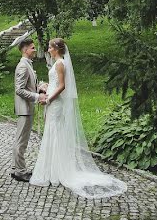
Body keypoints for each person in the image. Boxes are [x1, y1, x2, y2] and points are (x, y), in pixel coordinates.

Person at [29, 37, 127, 198]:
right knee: (53, 132)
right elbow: (55, 84)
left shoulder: (60, 63)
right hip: (52, 100)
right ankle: (54, 170)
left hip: (56, 102)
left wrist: (48, 98)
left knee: (55, 132)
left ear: (57, 49)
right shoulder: (57, 62)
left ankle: (56, 172)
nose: (48, 49)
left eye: (50, 47)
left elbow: (62, 86)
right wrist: (45, 87)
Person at [10, 34, 47, 182]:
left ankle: (15, 168)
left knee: (21, 140)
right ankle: (20, 172)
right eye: (32, 48)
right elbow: (19, 90)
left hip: (26, 108)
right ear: (25, 50)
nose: (35, 50)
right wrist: (38, 97)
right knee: (21, 142)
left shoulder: (27, 64)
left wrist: (39, 88)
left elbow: (28, 86)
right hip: (25, 109)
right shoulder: (23, 66)